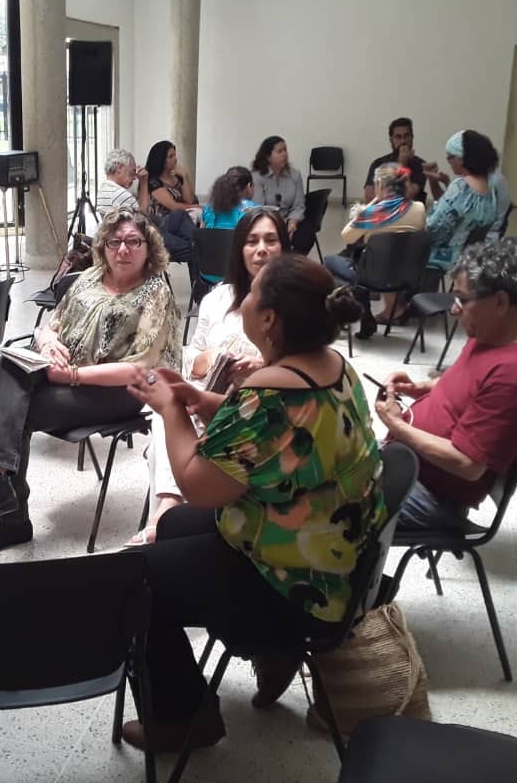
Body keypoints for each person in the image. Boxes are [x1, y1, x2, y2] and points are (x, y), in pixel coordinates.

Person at [119, 254, 381, 752]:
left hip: (298, 587)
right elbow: (280, 434)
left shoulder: (268, 393)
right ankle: (275, 654)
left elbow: (197, 483)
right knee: (172, 527)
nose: (244, 299)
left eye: (254, 292)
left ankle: (185, 718)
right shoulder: (331, 368)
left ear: (269, 319)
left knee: (137, 578)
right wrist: (204, 401)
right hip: (332, 557)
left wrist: (171, 410)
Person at [0, 208, 181, 554]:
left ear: (148, 247)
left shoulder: (155, 292)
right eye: (114, 242)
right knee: (8, 363)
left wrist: (73, 375)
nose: (123, 249)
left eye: (133, 242)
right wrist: (48, 343)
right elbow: (49, 325)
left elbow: (140, 367)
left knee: (16, 411)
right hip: (63, 374)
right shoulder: (90, 278)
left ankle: (9, 517)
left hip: (121, 391)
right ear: (103, 246)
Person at [131, 206, 287, 545]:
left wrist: (261, 366)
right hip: (210, 390)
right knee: (169, 403)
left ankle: (167, 513)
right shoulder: (219, 298)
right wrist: (210, 358)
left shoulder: (294, 305)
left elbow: (300, 369)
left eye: (271, 240)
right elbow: (191, 358)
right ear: (240, 249)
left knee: (169, 427)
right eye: (252, 241)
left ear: (284, 247)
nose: (261, 249)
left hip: (254, 407)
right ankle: (169, 507)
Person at [375, 240, 517, 531]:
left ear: (500, 302)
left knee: (317, 505)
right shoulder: (488, 336)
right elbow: (467, 384)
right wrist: (422, 386)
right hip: (410, 466)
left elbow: (467, 464)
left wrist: (396, 425)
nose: (454, 310)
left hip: (431, 496)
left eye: (461, 299)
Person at [324, 162, 427, 337]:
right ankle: (369, 312)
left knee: (329, 262)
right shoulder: (419, 208)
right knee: (372, 263)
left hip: (372, 276)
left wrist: (374, 202)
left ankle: (360, 315)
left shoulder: (373, 214)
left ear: (380, 185)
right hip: (405, 275)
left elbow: (347, 236)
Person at [422, 130, 501, 272]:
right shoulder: (491, 190)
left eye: (450, 157)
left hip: (441, 258)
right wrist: (445, 183)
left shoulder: (460, 187)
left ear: (463, 158)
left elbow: (433, 229)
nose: (449, 162)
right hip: (467, 258)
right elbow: (459, 212)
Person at [250, 135, 314, 254]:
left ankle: (294, 262)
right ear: (268, 157)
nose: (284, 154)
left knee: (306, 235)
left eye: (285, 150)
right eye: (279, 151)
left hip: (290, 219)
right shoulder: (257, 177)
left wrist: (293, 222)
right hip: (267, 221)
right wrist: (277, 226)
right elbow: (258, 208)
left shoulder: (295, 175)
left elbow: (299, 204)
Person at [143, 140, 199, 262]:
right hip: (163, 223)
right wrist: (195, 207)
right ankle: (199, 246)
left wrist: (185, 177)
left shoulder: (177, 177)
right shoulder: (153, 181)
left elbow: (189, 199)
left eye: (175, 155)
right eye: (170, 156)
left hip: (182, 225)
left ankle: (198, 249)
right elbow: (173, 206)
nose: (175, 159)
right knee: (181, 214)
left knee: (195, 246)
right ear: (161, 160)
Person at [363, 117, 429, 204]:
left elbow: (409, 196)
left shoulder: (420, 164)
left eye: (406, 136)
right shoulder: (378, 163)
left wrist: (403, 164)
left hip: (411, 212)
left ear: (412, 138)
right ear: (391, 140)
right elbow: (369, 197)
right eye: (398, 137)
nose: (403, 141)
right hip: (384, 211)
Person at [96, 148, 150, 216]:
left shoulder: (104, 190)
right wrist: (144, 182)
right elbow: (142, 216)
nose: (134, 178)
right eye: (132, 172)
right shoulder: (121, 194)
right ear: (120, 168)